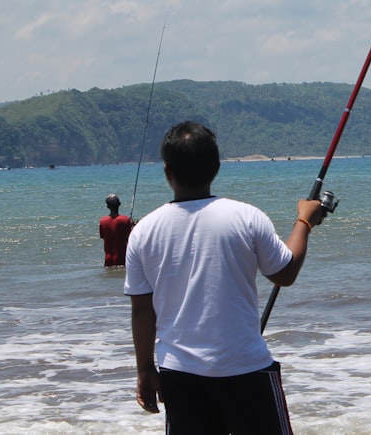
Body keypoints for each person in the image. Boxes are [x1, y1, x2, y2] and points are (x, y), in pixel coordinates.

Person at [123, 120, 326, 433]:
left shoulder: (143, 232)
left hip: (179, 374)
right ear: (216, 167)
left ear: (167, 172)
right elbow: (284, 273)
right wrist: (304, 221)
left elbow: (141, 310)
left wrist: (145, 369)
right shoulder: (245, 216)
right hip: (245, 368)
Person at [99, 193, 134, 267]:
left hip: (108, 259)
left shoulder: (102, 221)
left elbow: (103, 236)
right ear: (119, 204)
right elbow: (130, 237)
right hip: (122, 258)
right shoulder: (125, 220)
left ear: (107, 206)